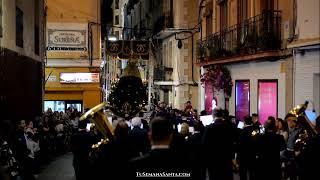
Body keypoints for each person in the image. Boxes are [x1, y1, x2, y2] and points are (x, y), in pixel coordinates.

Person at [202, 108, 237, 180]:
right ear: (222, 115)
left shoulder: (209, 128)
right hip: (226, 159)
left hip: (213, 160)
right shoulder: (230, 127)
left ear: (213, 115)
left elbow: (204, 144)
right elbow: (234, 143)